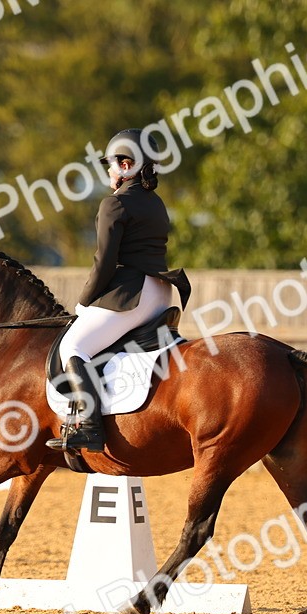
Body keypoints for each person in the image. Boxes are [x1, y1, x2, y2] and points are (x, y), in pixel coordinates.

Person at [46, 128, 191, 453]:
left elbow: (105, 263)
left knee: (73, 346)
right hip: (160, 293)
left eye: (111, 164)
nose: (108, 172)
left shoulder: (115, 203)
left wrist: (84, 302)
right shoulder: (155, 202)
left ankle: (89, 427)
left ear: (126, 164)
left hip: (130, 295)